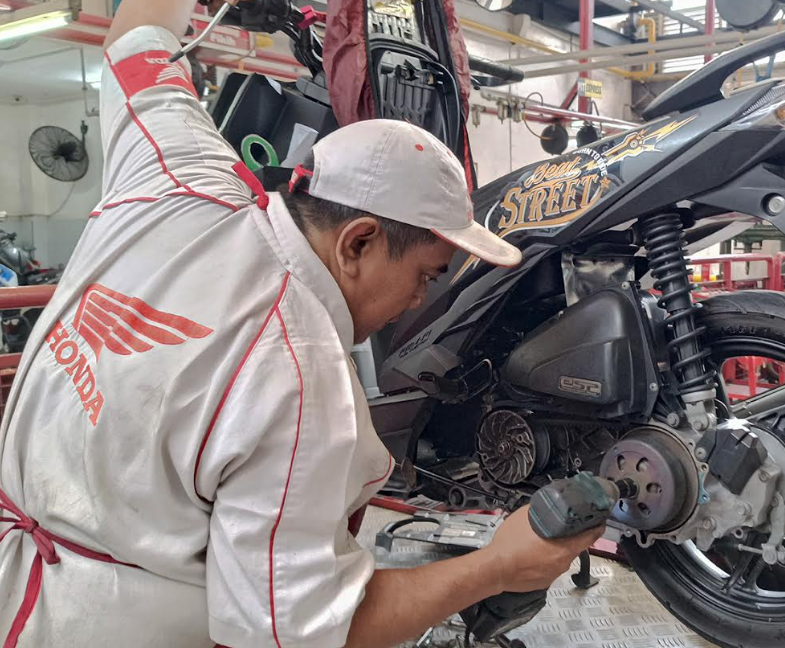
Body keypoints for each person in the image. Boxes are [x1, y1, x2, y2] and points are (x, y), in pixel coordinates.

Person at [0, 1, 603, 647]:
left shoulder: (179, 176)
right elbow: (306, 633)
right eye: (427, 276)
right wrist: (498, 566)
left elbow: (134, 39)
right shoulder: (295, 377)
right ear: (358, 242)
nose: (418, 301)